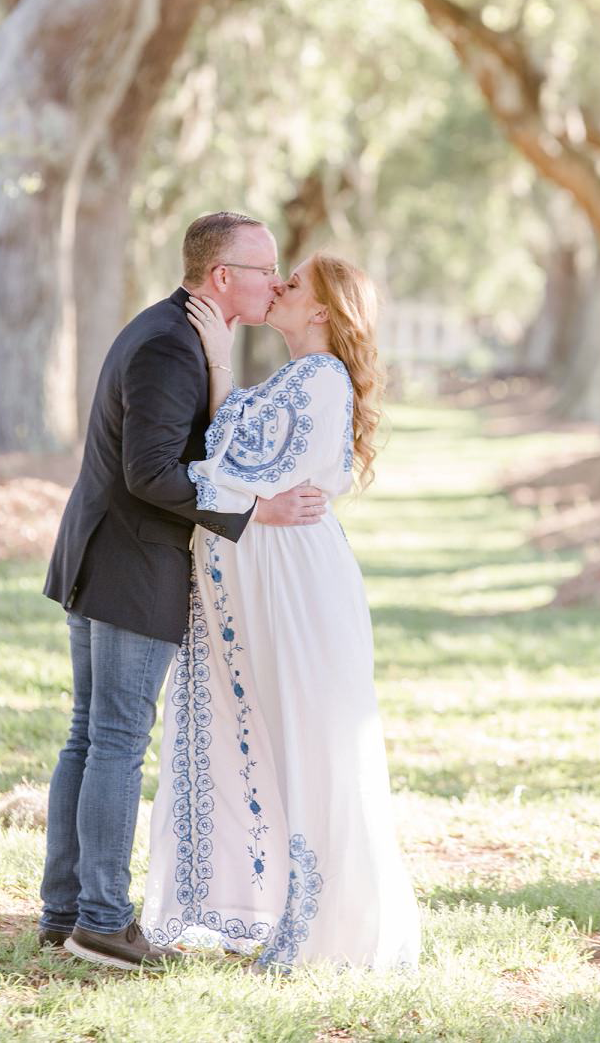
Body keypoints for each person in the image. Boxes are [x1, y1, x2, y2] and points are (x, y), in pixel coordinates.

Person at [38, 212, 328, 970]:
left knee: (90, 734)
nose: (278, 280)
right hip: (130, 567)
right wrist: (256, 510)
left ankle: (64, 910)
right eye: (266, 269)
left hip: (104, 557)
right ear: (223, 276)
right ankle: (100, 920)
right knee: (114, 740)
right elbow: (151, 473)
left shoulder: (182, 335)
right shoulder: (172, 346)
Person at [142, 252, 421, 970]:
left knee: (313, 738)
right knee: (267, 734)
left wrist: (183, 474)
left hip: (297, 583)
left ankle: (327, 930)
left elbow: (236, 468)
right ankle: (265, 909)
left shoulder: (321, 379)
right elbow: (232, 451)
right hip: (262, 576)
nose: (278, 287)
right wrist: (220, 360)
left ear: (322, 310)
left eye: (291, 283)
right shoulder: (296, 379)